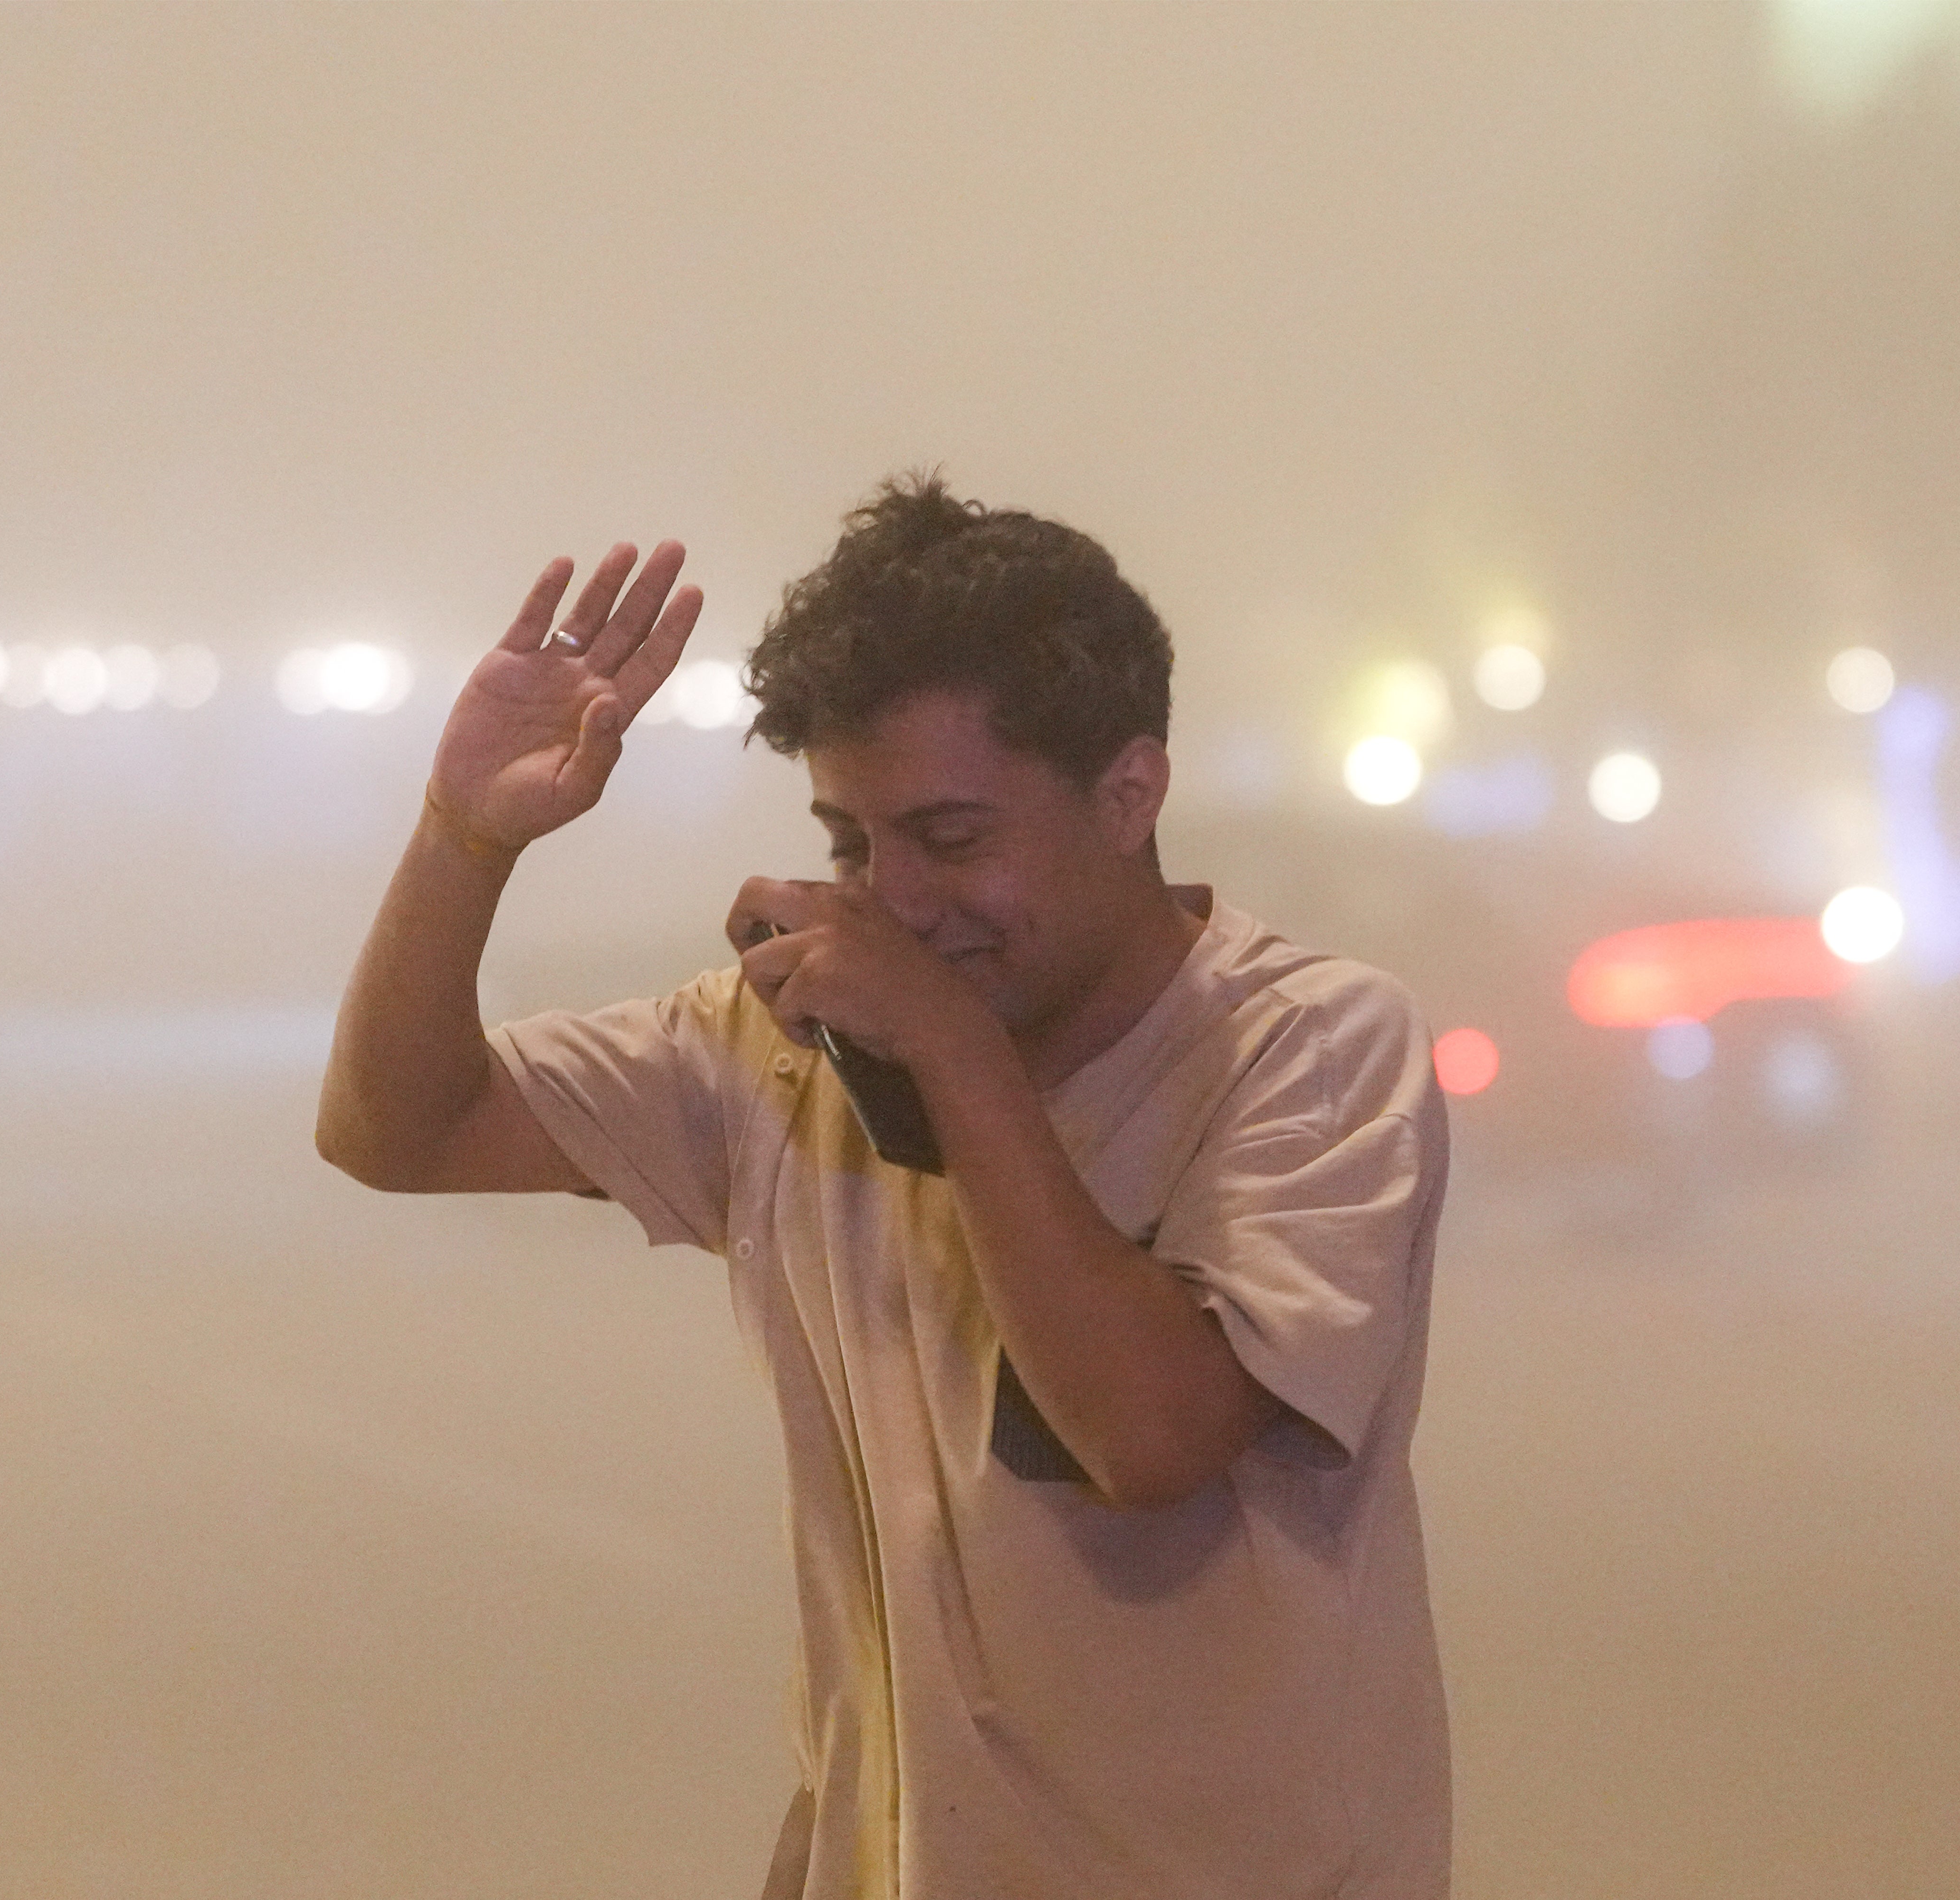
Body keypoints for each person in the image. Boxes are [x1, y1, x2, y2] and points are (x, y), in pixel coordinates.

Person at [317, 476, 1452, 1899]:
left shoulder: (1310, 1046)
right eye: (853, 843)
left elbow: (1152, 1435)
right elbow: (397, 1131)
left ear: (1130, 792)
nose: (894, 900)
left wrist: (952, 1059)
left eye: (953, 839)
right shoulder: (791, 1050)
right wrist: (464, 839)